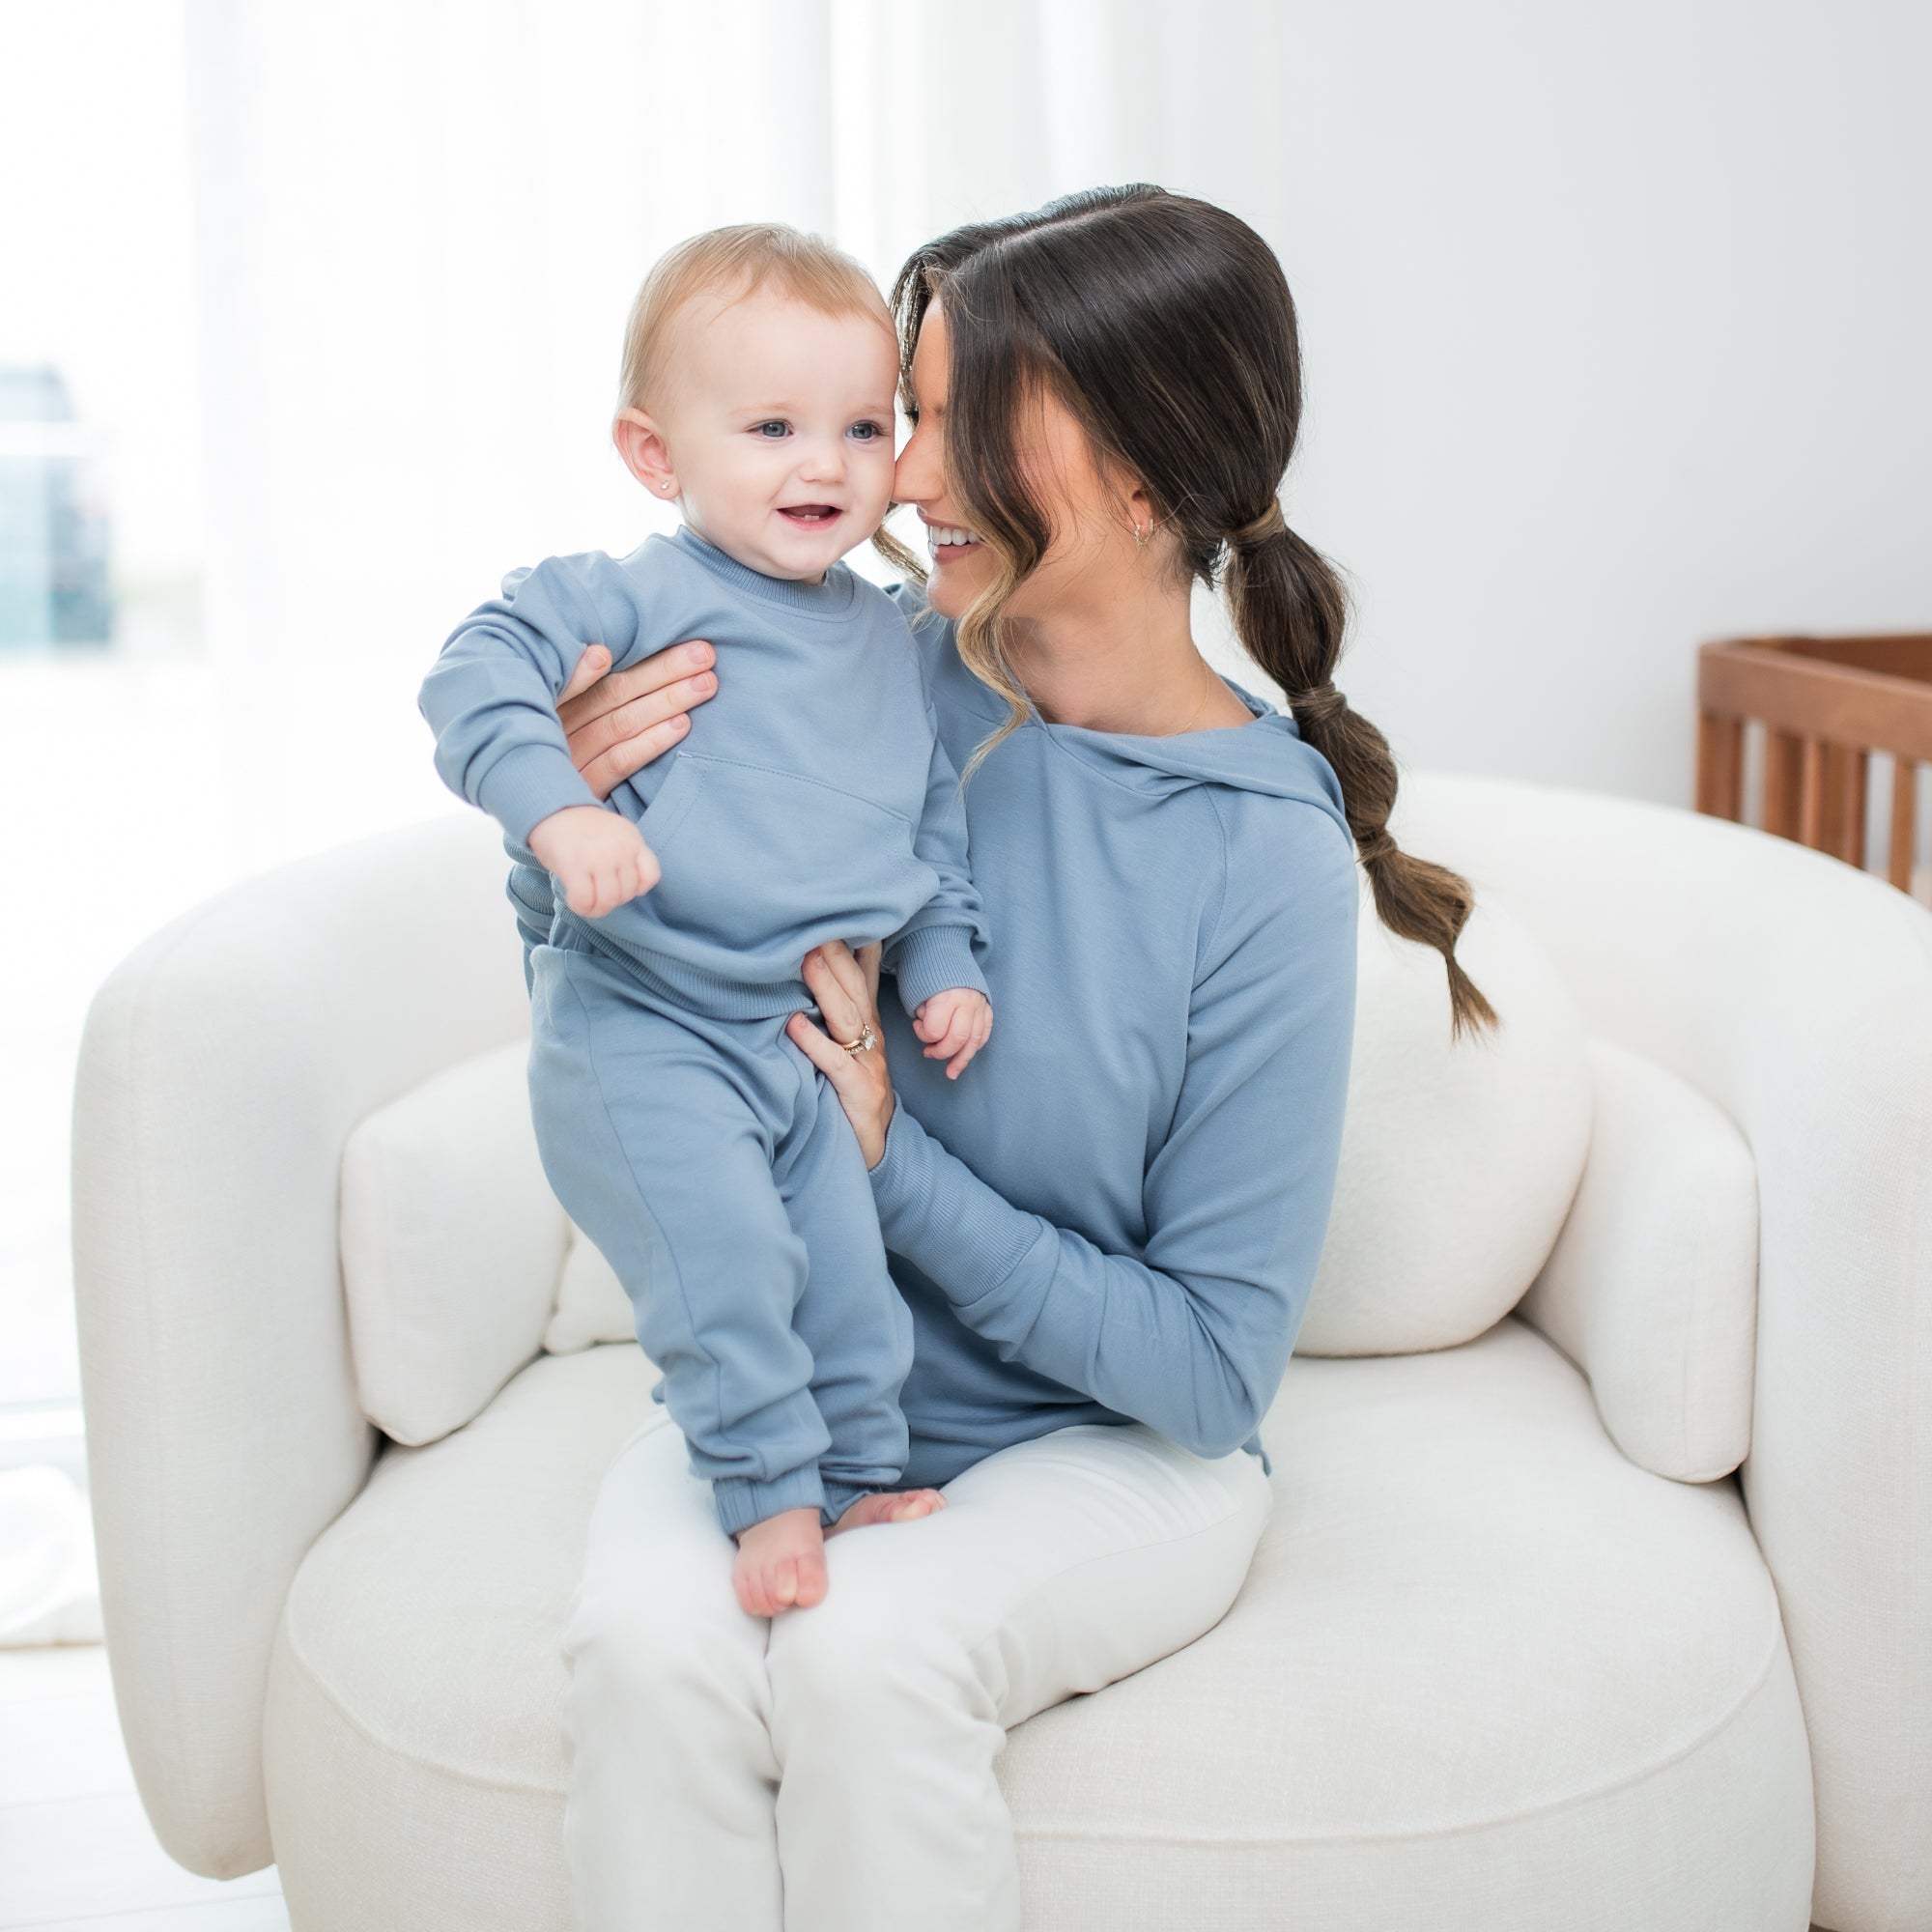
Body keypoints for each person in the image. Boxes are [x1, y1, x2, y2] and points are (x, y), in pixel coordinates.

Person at [540, 185, 1499, 1931]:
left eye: (958, 424)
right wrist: (562, 828)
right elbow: (625, 1010)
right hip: (806, 1400)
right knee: (647, 1652)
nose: (900, 479)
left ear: (1141, 474)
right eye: (907, 416)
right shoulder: (841, 676)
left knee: (859, 1659)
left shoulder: (1258, 846)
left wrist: (891, 1161)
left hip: (1101, 1449)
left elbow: (1210, 1376)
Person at [418, 224, 995, 1620]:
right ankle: (768, 1501)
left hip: (800, 1037)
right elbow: (474, 669)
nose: (829, 464)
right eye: (774, 427)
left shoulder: (886, 637)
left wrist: (949, 964)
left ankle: (859, 1474)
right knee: (730, 1272)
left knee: (851, 1283)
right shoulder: (638, 593)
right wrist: (561, 813)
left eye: (866, 427)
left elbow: (927, 832)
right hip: (647, 1028)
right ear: (655, 456)